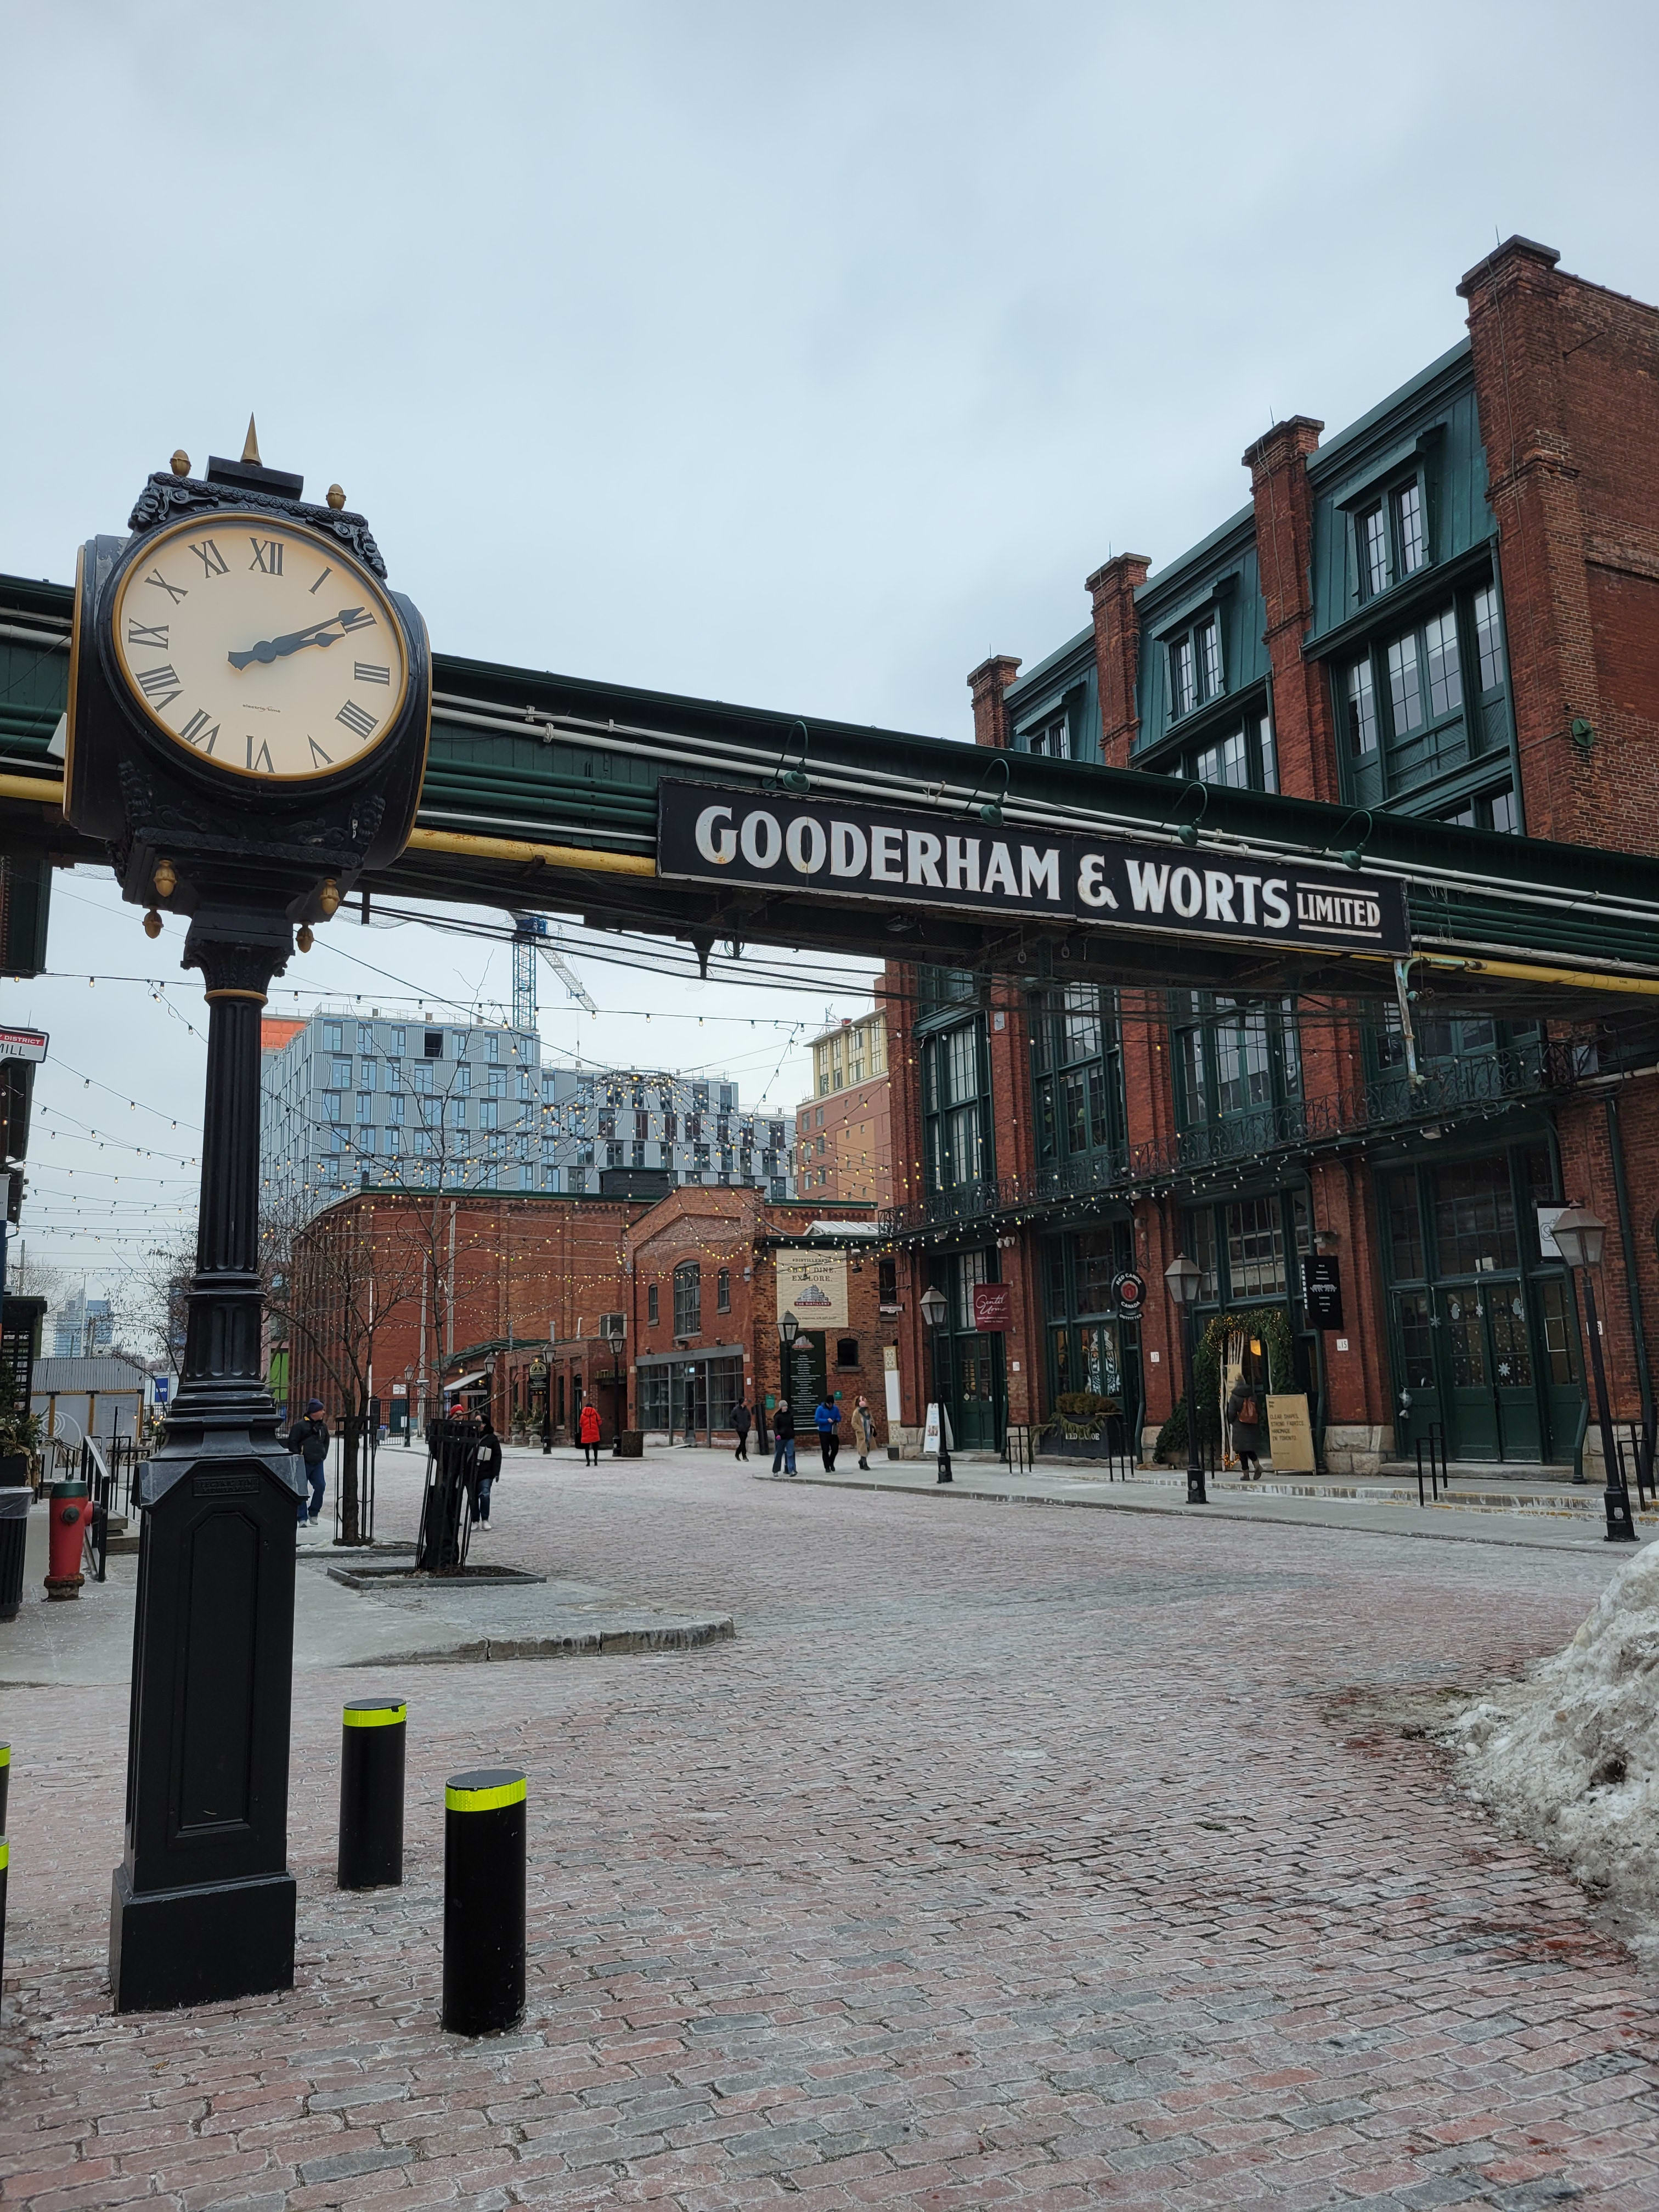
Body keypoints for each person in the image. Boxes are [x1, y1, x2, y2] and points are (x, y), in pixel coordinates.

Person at [286, 1398, 329, 1526]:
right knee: (301, 1489)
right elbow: (292, 1442)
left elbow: (326, 1441)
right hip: (303, 1462)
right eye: (321, 1410)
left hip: (318, 1462)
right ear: (314, 1412)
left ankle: (314, 1513)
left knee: (321, 1486)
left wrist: (323, 1455)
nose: (323, 1412)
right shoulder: (299, 1426)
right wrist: (298, 1456)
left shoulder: (323, 1427)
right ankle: (302, 1517)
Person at [1227, 1372, 1263, 1480]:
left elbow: (1231, 1412)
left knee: (1242, 1450)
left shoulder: (1234, 1396)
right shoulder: (1252, 1394)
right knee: (1249, 1448)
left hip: (1240, 1425)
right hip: (1251, 1424)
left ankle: (1246, 1474)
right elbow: (1258, 1409)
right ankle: (1257, 1466)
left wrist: (1232, 1421)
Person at [474, 1411, 503, 1529]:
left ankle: (485, 1519)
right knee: (473, 1498)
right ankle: (475, 1520)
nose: (475, 1424)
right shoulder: (470, 1436)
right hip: (472, 1472)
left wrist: (496, 1473)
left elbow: (497, 1456)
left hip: (486, 1472)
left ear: (484, 1424)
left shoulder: (492, 1438)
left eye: (478, 1422)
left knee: (485, 1495)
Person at [814, 1391, 842, 1470]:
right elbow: (817, 1419)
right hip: (824, 1432)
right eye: (829, 1404)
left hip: (833, 1431)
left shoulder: (835, 1409)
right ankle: (827, 1467)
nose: (830, 1406)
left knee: (835, 1448)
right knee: (825, 1450)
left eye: (832, 1404)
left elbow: (839, 1417)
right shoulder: (820, 1409)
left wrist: (836, 1420)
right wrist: (826, 1420)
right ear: (826, 1403)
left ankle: (831, 1462)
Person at [770, 1397, 797, 1477]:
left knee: (790, 1453)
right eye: (784, 1406)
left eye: (786, 1406)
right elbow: (775, 1427)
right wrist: (777, 1435)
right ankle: (776, 1470)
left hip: (789, 1437)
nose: (785, 1407)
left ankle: (791, 1470)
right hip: (781, 1438)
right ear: (781, 1407)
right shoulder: (778, 1416)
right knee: (779, 1454)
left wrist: (793, 1433)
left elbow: (792, 1425)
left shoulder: (790, 1415)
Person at [851, 1394, 877, 1471]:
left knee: (868, 1447)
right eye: (864, 1401)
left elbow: (872, 1420)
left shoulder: (867, 1411)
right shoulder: (857, 1412)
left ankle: (861, 1461)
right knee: (863, 1448)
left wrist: (873, 1427)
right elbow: (854, 1423)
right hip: (862, 1433)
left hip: (868, 1431)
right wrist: (860, 1430)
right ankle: (865, 1464)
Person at [578, 1397, 602, 1467]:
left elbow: (581, 1424)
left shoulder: (583, 1415)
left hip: (586, 1434)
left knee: (587, 1449)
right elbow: (600, 1422)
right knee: (595, 1449)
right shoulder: (595, 1414)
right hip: (594, 1433)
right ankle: (595, 1461)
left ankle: (588, 1462)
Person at [731, 1398, 752, 1462]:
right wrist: (736, 1425)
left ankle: (737, 1453)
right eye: (745, 1401)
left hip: (746, 1428)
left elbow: (749, 1418)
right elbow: (732, 1418)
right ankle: (744, 1456)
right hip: (739, 1429)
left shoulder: (746, 1410)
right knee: (743, 1441)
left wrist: (748, 1425)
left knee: (743, 1442)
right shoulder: (736, 1410)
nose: (746, 1402)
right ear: (742, 1402)